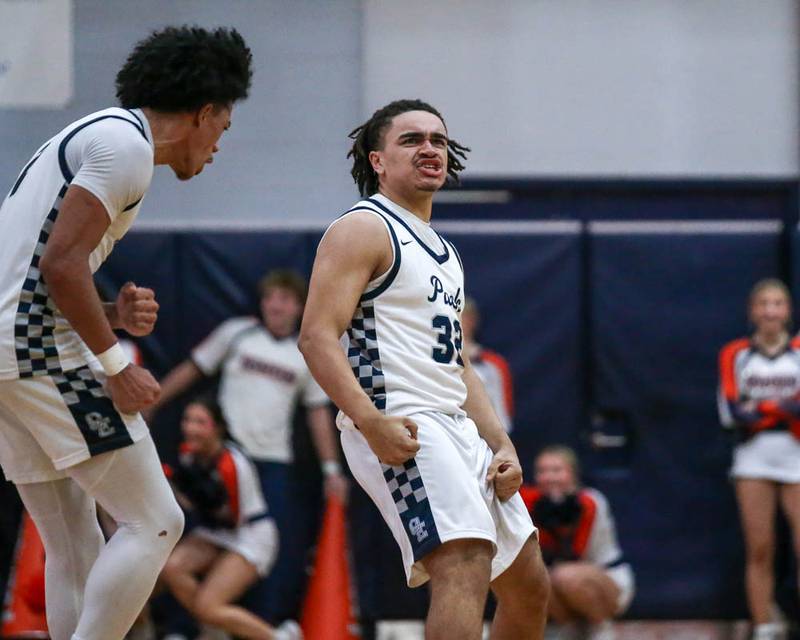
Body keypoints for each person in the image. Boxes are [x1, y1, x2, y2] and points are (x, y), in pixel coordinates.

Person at [0, 25, 252, 640]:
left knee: (73, 538)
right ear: (204, 112)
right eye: (224, 125)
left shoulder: (96, 134)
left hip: (9, 353)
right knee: (157, 520)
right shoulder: (125, 147)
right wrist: (118, 363)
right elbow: (60, 265)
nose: (220, 143)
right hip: (37, 354)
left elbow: (39, 268)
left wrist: (109, 312)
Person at [298, 99, 550, 640]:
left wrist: (501, 443)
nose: (430, 148)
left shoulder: (445, 252)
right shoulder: (363, 228)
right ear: (379, 161)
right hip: (401, 420)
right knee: (462, 564)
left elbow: (459, 365)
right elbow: (316, 336)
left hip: (457, 425)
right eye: (411, 140)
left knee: (529, 584)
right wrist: (369, 421)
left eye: (438, 139)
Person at [149, 269, 346, 619]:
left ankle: (267, 623)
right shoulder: (236, 333)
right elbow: (193, 369)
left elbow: (318, 413)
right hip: (221, 457)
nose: (275, 305)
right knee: (197, 537)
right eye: (269, 297)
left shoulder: (306, 353)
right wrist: (154, 401)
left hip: (271, 464)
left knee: (265, 552)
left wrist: (331, 469)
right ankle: (187, 626)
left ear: (299, 307)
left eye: (284, 299)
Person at [161, 397, 302, 640]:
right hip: (216, 530)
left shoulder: (232, 464)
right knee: (172, 568)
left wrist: (195, 497)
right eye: (187, 420)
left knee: (209, 606)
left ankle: (278, 636)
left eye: (200, 422)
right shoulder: (188, 454)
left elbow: (230, 517)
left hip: (249, 533)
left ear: (217, 428)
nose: (190, 428)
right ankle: (214, 632)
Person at [718, 278, 800, 640]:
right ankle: (764, 623)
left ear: (788, 310)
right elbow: (734, 412)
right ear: (752, 311)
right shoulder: (736, 353)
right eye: (763, 304)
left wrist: (762, 407)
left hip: (796, 453)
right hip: (753, 456)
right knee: (760, 548)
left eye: (777, 303)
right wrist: (782, 409)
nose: (770, 310)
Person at [519, 446, 634, 640]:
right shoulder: (531, 502)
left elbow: (579, 552)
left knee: (565, 576)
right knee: (533, 580)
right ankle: (571, 628)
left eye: (556, 470)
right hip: (557, 578)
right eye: (542, 471)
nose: (549, 477)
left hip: (604, 577)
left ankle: (600, 626)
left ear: (572, 473)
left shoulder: (591, 501)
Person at [461, 296, 514, 432]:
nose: (460, 320)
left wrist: (501, 443)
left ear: (473, 320)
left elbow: (502, 413)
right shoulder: (432, 359)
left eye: (464, 316)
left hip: (483, 438)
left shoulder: (493, 364)